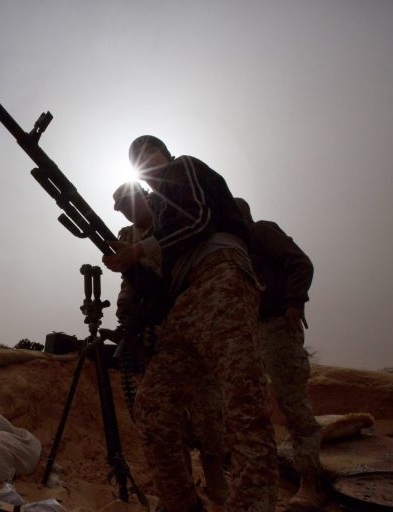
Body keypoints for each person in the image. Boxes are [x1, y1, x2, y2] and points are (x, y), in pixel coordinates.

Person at [103, 136, 277, 512]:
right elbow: (158, 291)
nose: (147, 160)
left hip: (220, 279)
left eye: (150, 151)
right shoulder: (157, 221)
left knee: (243, 403)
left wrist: (139, 251)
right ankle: (181, 504)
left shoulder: (183, 169)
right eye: (138, 158)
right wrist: (133, 269)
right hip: (184, 304)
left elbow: (198, 220)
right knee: (152, 406)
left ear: (165, 154)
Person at [112, 182, 229, 506]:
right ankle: (180, 491)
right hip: (160, 329)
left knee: (208, 405)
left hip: (194, 313)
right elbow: (129, 278)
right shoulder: (127, 235)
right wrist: (127, 306)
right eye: (122, 208)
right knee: (164, 410)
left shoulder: (172, 217)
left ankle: (215, 475)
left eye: (130, 203)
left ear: (145, 197)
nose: (128, 211)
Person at [234, 197, 324, 511]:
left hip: (277, 327)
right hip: (252, 333)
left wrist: (294, 303)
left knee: (294, 406)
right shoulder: (235, 251)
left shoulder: (261, 232)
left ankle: (310, 482)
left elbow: (301, 263)